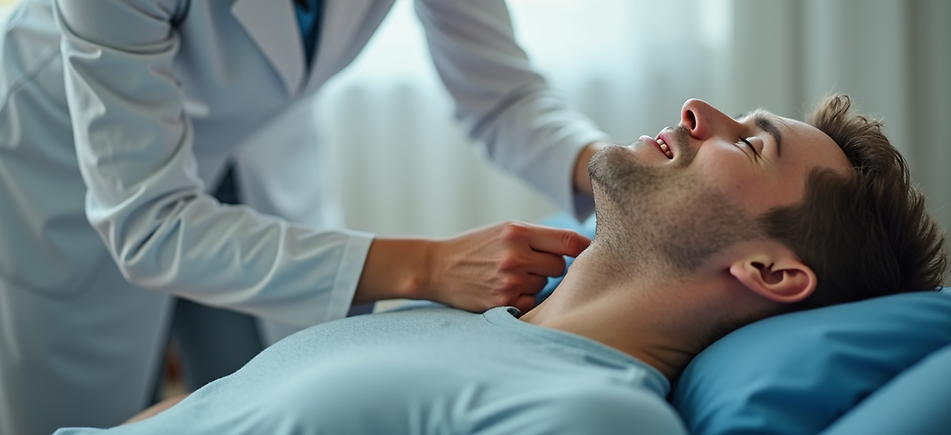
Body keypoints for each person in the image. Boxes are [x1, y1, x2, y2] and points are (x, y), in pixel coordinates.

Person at [0, 0, 612, 433]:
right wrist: (428, 266)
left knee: (261, 395)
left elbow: (501, 93)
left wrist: (613, 171)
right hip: (70, 174)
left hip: (252, 155)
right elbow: (151, 222)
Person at [52, 95, 948, 435]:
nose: (699, 108)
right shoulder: (465, 315)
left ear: (771, 269)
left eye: (749, 144)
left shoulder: (592, 417)